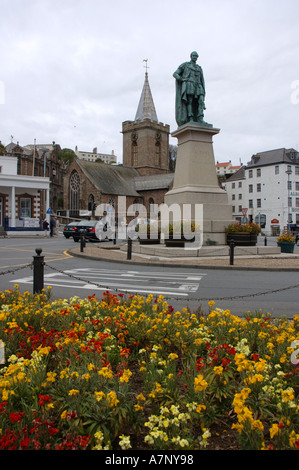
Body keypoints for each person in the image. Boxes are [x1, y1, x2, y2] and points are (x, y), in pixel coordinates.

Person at [173, 51, 211, 127]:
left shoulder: (199, 68)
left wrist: (203, 88)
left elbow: (202, 79)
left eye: (196, 56)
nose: (195, 57)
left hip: (198, 85)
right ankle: (190, 117)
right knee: (190, 101)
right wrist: (181, 79)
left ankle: (200, 117)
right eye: (194, 56)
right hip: (189, 84)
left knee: (200, 101)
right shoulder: (185, 65)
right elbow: (175, 74)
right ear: (191, 56)